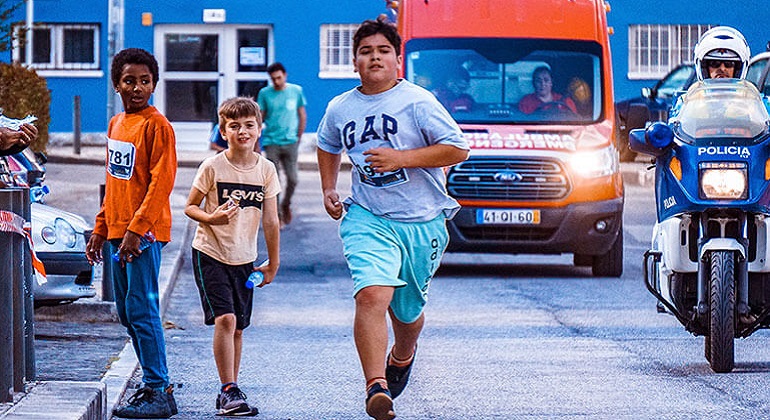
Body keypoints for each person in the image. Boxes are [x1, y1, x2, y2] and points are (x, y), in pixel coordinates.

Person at [316, 18, 469, 420]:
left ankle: (402, 354)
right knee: (371, 294)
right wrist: (329, 187)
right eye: (366, 52)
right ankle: (376, 386)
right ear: (354, 61)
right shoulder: (340, 107)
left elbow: (457, 149)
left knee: (407, 314)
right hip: (368, 216)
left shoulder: (417, 101)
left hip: (421, 220)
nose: (375, 58)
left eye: (383, 51)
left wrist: (402, 158)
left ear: (397, 59)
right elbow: (327, 144)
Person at [84, 48, 178, 419]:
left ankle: (158, 388)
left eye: (144, 81)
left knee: (142, 309)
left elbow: (160, 184)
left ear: (154, 84)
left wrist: (137, 230)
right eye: (129, 81)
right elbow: (114, 181)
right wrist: (101, 226)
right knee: (126, 312)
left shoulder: (158, 126)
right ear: (116, 84)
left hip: (143, 235)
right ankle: (154, 385)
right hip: (117, 232)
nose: (137, 88)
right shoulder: (116, 124)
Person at [184, 96, 280, 417]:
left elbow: (271, 220)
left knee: (238, 327)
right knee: (225, 319)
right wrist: (212, 218)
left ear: (259, 129)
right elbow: (191, 206)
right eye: (234, 126)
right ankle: (228, 389)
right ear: (223, 132)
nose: (242, 131)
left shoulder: (266, 169)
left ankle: (231, 388)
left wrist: (273, 263)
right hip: (210, 251)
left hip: (244, 257)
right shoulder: (212, 166)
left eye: (249, 125)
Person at [256, 62, 307, 227]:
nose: (277, 82)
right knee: (273, 182)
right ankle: (277, 216)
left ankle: (286, 204)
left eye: (279, 78)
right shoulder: (265, 93)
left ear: (285, 75)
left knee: (293, 179)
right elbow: (259, 119)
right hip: (272, 142)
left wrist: (299, 136)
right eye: (273, 79)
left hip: (291, 141)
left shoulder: (296, 91)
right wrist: (256, 142)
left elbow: (302, 114)